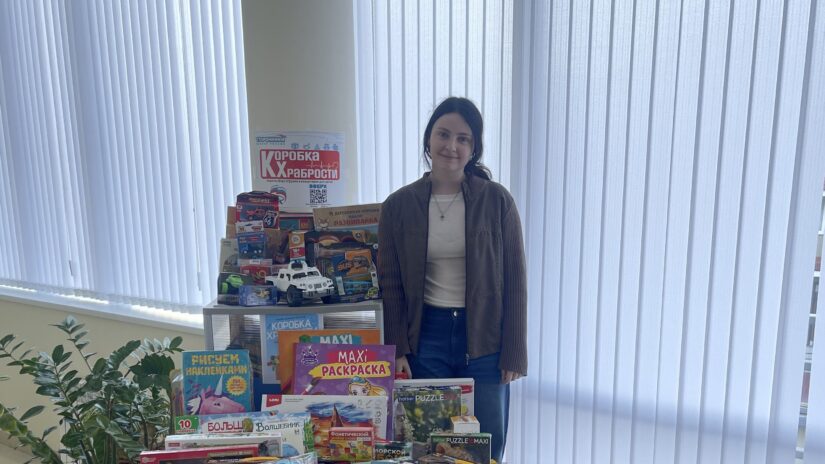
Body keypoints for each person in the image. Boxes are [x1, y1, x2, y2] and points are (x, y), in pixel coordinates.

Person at [378, 96, 527, 462]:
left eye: (463, 138)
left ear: (473, 148)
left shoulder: (497, 201)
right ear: (428, 139)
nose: (451, 145)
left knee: (486, 446)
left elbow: (515, 280)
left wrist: (514, 351)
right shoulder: (398, 206)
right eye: (443, 134)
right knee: (428, 444)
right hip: (427, 337)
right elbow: (391, 284)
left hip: (486, 340)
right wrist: (397, 349)